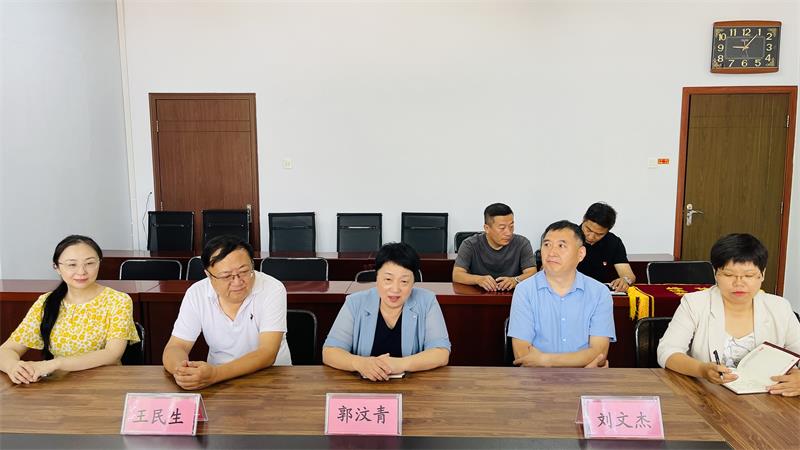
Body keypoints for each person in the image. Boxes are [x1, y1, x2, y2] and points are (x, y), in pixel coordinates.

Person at [657, 233, 800, 396]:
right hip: (706, 395)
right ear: (715, 273)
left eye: (748, 275)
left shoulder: (779, 307)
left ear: (762, 274)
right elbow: (667, 352)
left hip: (767, 399)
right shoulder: (695, 304)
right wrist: (702, 370)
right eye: (729, 275)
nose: (739, 283)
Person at [0, 235, 140, 384]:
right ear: (57, 267)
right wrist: (13, 367)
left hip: (105, 384)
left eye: (90, 263)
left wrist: (55, 364)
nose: (81, 271)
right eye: (72, 265)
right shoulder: (46, 303)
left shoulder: (118, 300)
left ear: (99, 263)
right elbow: (6, 350)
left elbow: (112, 354)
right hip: (59, 387)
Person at [163, 235, 291, 390]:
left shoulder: (272, 288)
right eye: (226, 276)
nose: (237, 282)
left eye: (244, 271)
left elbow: (267, 353)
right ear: (208, 275)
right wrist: (182, 371)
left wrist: (215, 374)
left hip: (270, 378)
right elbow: (177, 346)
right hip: (217, 384)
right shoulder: (196, 293)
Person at [323, 242, 451, 381]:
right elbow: (330, 352)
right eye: (388, 279)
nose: (395, 289)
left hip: (413, 387)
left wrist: (400, 364)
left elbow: (441, 353)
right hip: (362, 387)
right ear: (377, 277)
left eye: (404, 281)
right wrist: (360, 363)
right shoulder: (355, 302)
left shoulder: (427, 301)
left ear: (414, 281)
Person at [508, 220, 616, 368]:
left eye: (561, 246)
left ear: (580, 254)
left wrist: (545, 360)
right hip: (537, 379)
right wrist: (581, 363)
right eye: (547, 244)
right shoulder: (524, 290)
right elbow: (522, 355)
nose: (551, 252)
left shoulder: (599, 293)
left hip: (584, 380)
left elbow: (599, 354)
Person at [452, 203, 536, 291]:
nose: (508, 233)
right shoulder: (470, 244)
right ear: (487, 228)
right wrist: (478, 279)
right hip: (479, 294)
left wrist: (516, 280)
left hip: (513, 295)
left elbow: (532, 272)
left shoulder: (522, 243)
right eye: (502, 228)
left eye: (511, 226)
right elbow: (457, 275)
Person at [576, 202, 636, 292]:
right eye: (588, 230)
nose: (591, 237)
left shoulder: (613, 242)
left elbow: (629, 275)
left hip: (602, 293)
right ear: (584, 219)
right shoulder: (568, 236)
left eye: (599, 234)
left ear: (608, 230)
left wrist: (625, 280)